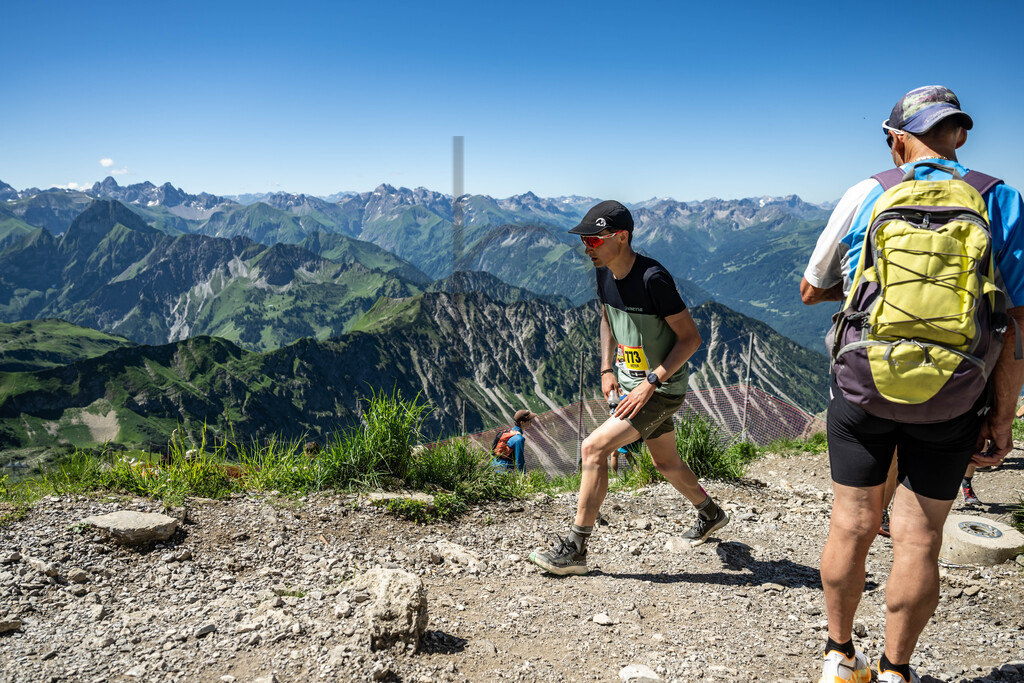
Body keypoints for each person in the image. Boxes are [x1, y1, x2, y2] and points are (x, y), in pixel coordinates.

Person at [800, 86, 1024, 683]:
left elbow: (809, 288)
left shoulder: (868, 192)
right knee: (920, 535)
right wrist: (1002, 420)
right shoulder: (999, 199)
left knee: (851, 520)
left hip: (863, 386)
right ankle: (896, 671)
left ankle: (838, 659)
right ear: (961, 135)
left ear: (897, 136)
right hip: (955, 392)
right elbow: (1015, 322)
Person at [529, 200, 729, 576]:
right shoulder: (605, 272)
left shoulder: (653, 279)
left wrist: (650, 384)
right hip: (630, 386)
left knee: (593, 448)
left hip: (661, 389)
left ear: (620, 237)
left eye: (593, 240)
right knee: (665, 462)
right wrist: (607, 368)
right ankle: (711, 513)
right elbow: (607, 319)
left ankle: (575, 547)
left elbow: (691, 339)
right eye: (585, 240)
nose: (587, 247)